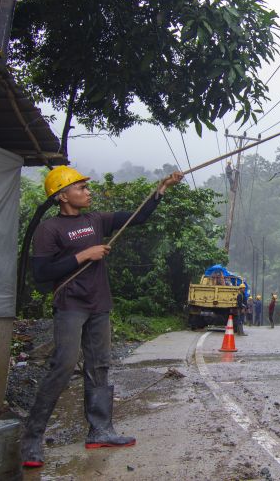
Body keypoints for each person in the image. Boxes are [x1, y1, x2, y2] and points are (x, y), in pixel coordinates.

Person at [21, 166, 183, 468]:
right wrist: (84, 255)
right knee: (63, 365)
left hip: (99, 305)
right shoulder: (50, 229)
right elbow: (41, 274)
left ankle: (100, 430)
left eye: (86, 187)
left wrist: (162, 189)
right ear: (62, 195)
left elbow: (138, 216)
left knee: (100, 366)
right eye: (81, 187)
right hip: (70, 305)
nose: (87, 191)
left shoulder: (96, 219)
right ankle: (31, 439)